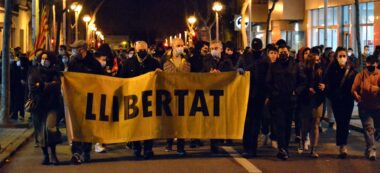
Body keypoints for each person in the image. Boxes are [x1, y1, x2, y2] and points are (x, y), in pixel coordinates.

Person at [118, 41, 161, 160]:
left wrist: (160, 74)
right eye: (139, 50)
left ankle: (148, 149)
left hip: (149, 99)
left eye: (143, 50)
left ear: (147, 49)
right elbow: (121, 79)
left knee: (148, 125)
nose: (141, 52)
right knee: (134, 124)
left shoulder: (154, 63)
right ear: (135, 50)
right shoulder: (127, 63)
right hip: (133, 99)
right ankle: (136, 148)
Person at [266, 45, 307, 160]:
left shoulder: (296, 66)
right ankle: (282, 148)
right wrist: (274, 93)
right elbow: (268, 82)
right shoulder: (273, 66)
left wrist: (296, 92)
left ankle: (285, 148)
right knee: (280, 125)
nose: (283, 54)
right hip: (278, 100)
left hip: (291, 100)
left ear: (288, 52)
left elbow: (303, 81)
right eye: (281, 52)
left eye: (285, 52)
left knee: (287, 125)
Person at [68, 40, 99, 164]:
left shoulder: (94, 63)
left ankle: (86, 151)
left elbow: (101, 79)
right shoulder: (73, 62)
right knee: (77, 125)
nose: (73, 52)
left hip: (91, 99)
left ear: (82, 50)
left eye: (75, 49)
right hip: (76, 98)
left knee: (88, 126)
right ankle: (76, 152)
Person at [28, 52, 62, 165]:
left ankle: (53, 154)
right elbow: (33, 87)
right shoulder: (34, 72)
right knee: (40, 132)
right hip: (38, 107)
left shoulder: (55, 73)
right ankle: (45, 156)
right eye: (42, 58)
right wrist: (47, 85)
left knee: (50, 128)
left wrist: (42, 85)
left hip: (52, 106)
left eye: (46, 59)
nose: (44, 61)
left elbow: (57, 86)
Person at [238, 38, 270, 157]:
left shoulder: (265, 60)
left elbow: (268, 78)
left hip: (259, 96)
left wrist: (267, 95)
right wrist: (239, 70)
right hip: (247, 94)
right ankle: (247, 147)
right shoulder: (245, 58)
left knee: (255, 123)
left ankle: (252, 148)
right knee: (248, 122)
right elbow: (237, 69)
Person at [202, 40, 234, 153]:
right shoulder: (206, 59)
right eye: (212, 49)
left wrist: (222, 74)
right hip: (210, 93)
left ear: (221, 49)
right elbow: (202, 72)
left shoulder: (227, 60)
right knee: (213, 119)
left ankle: (223, 138)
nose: (214, 51)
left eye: (216, 48)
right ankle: (214, 144)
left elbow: (231, 73)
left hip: (223, 92)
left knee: (222, 117)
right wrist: (210, 72)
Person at [325, 47, 357, 159]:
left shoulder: (352, 68)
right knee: (340, 122)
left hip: (348, 100)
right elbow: (327, 83)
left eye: (344, 56)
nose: (342, 58)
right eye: (340, 56)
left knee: (345, 122)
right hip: (337, 100)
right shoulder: (331, 68)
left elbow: (355, 84)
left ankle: (343, 145)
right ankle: (341, 145)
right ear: (336, 57)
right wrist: (332, 95)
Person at [162, 38, 190, 156]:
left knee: (182, 120)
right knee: (170, 119)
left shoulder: (187, 59)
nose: (181, 47)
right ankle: (169, 142)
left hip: (183, 93)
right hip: (169, 94)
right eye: (178, 45)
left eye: (182, 45)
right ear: (172, 47)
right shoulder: (165, 60)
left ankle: (180, 146)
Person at [352, 55, 380, 161]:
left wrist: (374, 88)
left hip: (377, 107)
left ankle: (368, 147)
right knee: (369, 128)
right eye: (368, 64)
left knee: (376, 129)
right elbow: (354, 89)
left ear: (376, 64)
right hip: (365, 106)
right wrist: (357, 96)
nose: (370, 66)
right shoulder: (361, 75)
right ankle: (372, 149)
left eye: (373, 64)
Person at [298, 53, 326, 158]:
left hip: (318, 99)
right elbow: (300, 84)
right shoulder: (303, 70)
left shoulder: (321, 70)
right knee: (305, 124)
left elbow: (326, 81)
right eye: (315, 60)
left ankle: (314, 149)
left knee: (316, 124)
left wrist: (324, 86)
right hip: (306, 100)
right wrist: (307, 89)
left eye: (319, 60)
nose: (318, 62)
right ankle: (302, 141)